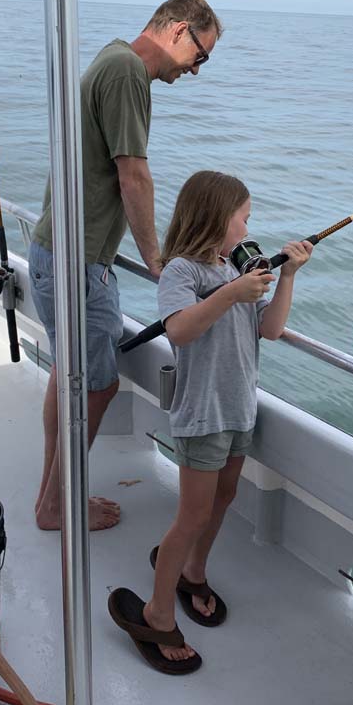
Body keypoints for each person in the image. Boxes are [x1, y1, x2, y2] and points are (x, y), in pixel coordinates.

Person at [29, 0, 223, 532]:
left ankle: (53, 495)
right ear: (180, 30)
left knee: (70, 375)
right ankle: (57, 502)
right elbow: (132, 175)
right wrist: (157, 259)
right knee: (97, 384)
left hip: (58, 251)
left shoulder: (110, 61)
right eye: (200, 56)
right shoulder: (127, 73)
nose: (197, 70)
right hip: (78, 260)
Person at [107, 170, 312, 673]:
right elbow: (180, 330)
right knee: (192, 514)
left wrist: (285, 277)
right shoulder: (185, 272)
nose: (248, 228)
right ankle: (156, 612)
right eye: (243, 218)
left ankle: (193, 570)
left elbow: (272, 328)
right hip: (203, 414)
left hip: (240, 408)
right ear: (216, 219)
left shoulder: (232, 270)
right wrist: (232, 293)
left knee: (223, 498)